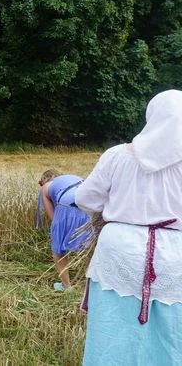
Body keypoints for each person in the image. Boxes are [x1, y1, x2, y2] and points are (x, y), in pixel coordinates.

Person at [74, 90, 182, 364]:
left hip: (119, 249)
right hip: (175, 255)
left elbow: (86, 198)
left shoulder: (118, 155)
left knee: (113, 328)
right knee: (170, 332)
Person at [36, 169, 89, 291]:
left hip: (67, 204)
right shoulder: (75, 177)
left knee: (58, 251)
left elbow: (53, 218)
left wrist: (61, 234)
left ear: (45, 180)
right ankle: (91, 284)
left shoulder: (46, 187)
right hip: (89, 204)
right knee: (90, 247)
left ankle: (66, 286)